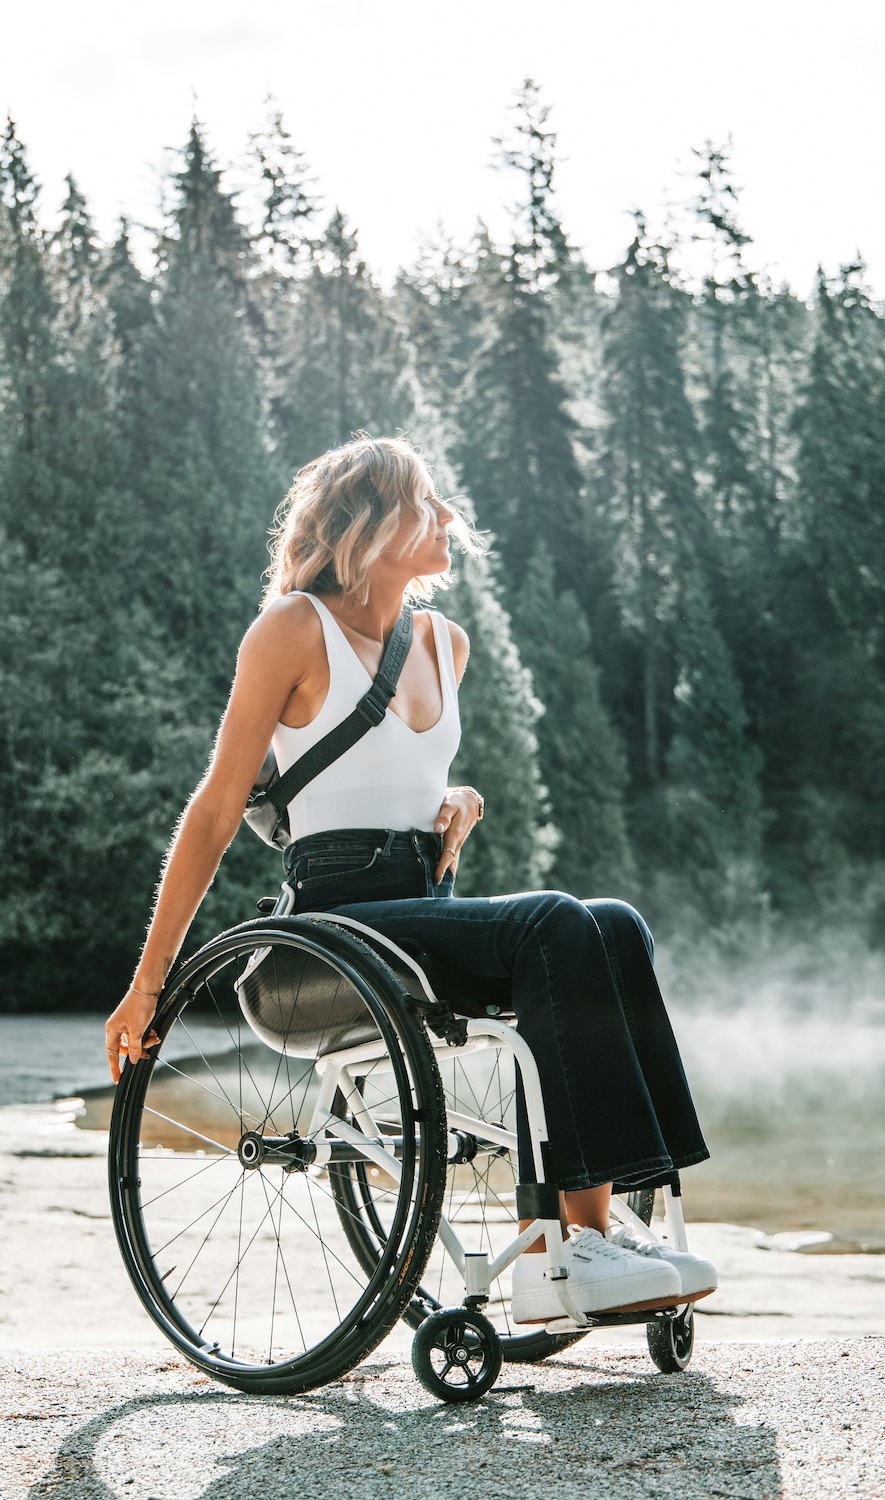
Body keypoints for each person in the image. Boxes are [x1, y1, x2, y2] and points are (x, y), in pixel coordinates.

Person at [105, 433, 717, 1325]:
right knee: (552, 920)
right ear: (373, 520)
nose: (447, 519)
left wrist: (453, 797)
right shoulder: (291, 629)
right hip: (327, 930)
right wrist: (147, 982)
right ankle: (568, 1247)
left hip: (417, 904)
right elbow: (212, 811)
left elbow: (400, 773)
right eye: (427, 501)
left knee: (612, 923)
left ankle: (590, 1227)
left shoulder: (446, 643)